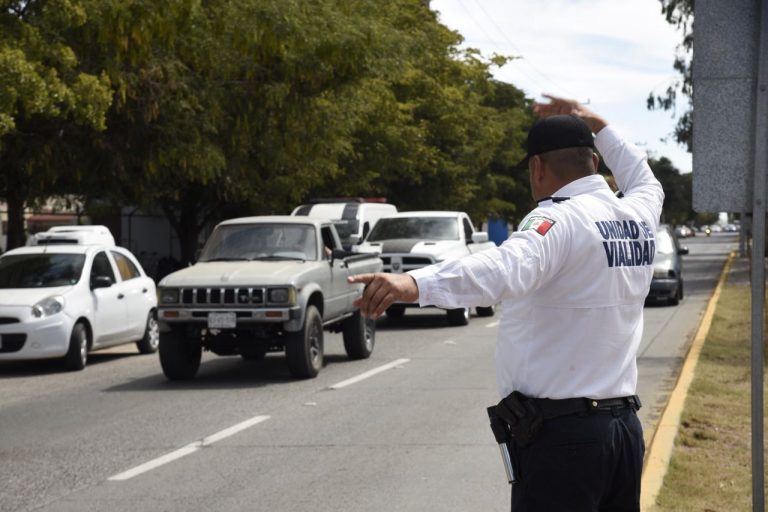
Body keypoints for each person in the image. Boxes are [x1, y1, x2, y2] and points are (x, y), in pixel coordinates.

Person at [348, 95, 664, 512]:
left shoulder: (559, 218)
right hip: (623, 432)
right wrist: (598, 123)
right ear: (594, 163)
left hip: (565, 442)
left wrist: (412, 283)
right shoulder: (638, 215)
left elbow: (502, 267)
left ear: (537, 167)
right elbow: (643, 177)